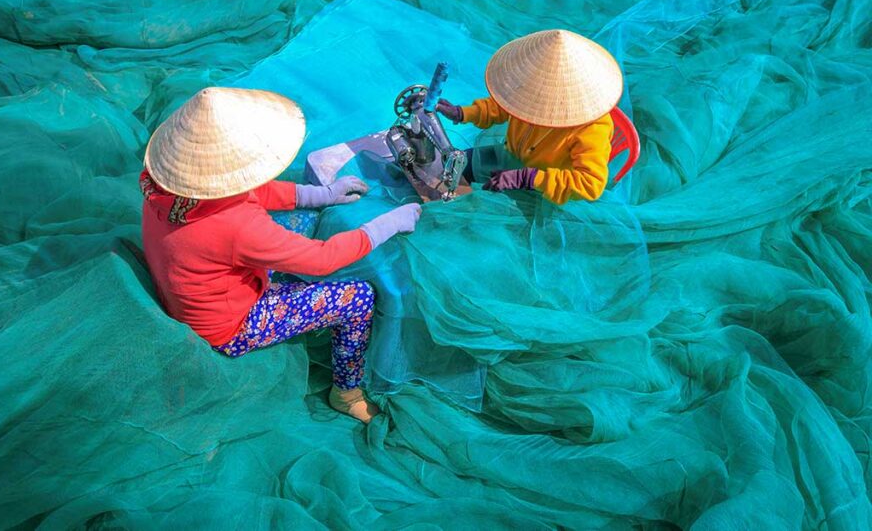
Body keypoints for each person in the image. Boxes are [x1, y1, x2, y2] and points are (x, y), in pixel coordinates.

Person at [140, 87, 421, 423]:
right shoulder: (236, 225)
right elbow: (322, 260)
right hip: (230, 325)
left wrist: (319, 195)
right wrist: (384, 225)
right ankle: (346, 393)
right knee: (358, 298)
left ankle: (296, 281)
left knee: (301, 222)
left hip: (201, 287)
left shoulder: (165, 184)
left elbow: (247, 189)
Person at [436, 29, 623, 205]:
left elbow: (590, 184)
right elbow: (501, 105)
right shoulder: (530, 90)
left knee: (487, 208)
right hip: (510, 156)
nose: (530, 97)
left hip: (545, 186)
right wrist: (462, 113)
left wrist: (527, 178)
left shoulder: (593, 127)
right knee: (458, 164)